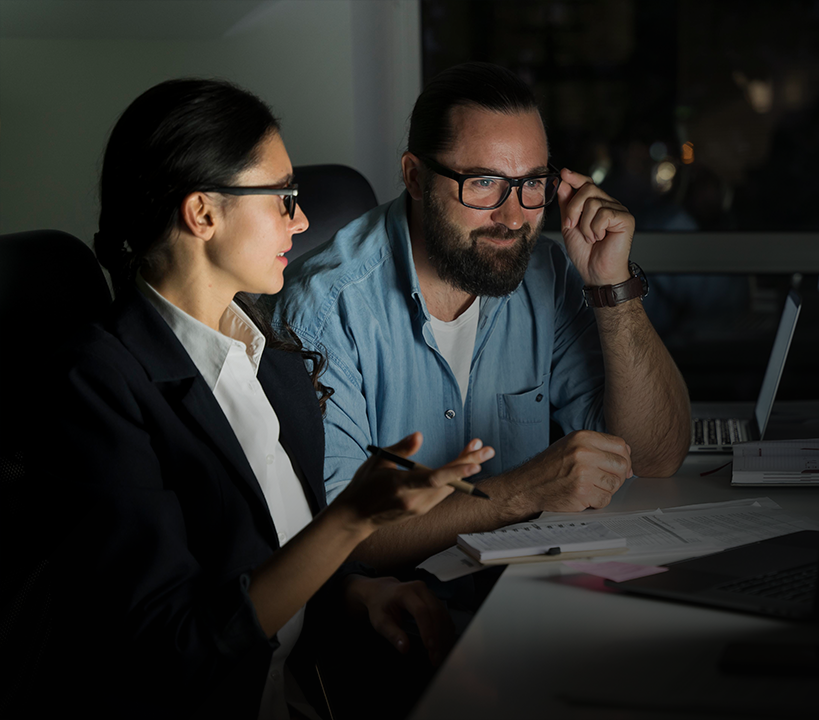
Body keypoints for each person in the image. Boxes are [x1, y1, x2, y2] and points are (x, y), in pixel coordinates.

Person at [31, 78, 493, 720]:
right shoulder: (98, 383)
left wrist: (356, 595)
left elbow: (282, 569)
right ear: (203, 213)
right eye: (282, 197)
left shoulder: (272, 359)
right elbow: (174, 648)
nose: (301, 220)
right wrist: (351, 521)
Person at [272, 62, 691, 569]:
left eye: (531, 184)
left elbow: (653, 457)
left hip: (527, 590)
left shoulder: (547, 276)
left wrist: (612, 287)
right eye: (485, 183)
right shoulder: (323, 307)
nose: (513, 217)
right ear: (415, 177)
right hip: (401, 617)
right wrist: (523, 492)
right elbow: (336, 538)